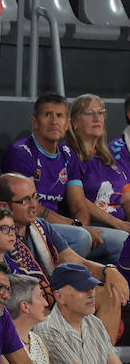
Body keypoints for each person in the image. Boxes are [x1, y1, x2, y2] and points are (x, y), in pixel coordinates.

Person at [0, 172, 128, 345]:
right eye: (25, 200)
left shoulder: (41, 226)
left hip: (51, 299)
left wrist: (109, 270)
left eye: (35, 197)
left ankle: (102, 363)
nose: (34, 205)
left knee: (109, 293)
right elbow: (10, 299)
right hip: (24, 309)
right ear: (5, 206)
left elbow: (77, 261)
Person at [0, 94, 100, 260]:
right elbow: (30, 207)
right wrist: (77, 227)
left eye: (59, 116)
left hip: (63, 226)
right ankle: (54, 283)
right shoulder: (21, 152)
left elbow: (79, 206)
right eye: (48, 115)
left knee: (120, 240)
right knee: (81, 238)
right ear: (35, 122)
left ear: (67, 124)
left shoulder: (68, 154)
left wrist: (81, 225)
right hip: (28, 224)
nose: (54, 122)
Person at [64, 94, 130, 282]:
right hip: (94, 226)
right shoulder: (68, 153)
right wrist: (119, 224)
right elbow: (79, 201)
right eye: (90, 113)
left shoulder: (110, 157)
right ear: (74, 121)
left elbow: (126, 197)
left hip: (120, 224)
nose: (97, 118)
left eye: (101, 112)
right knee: (124, 241)